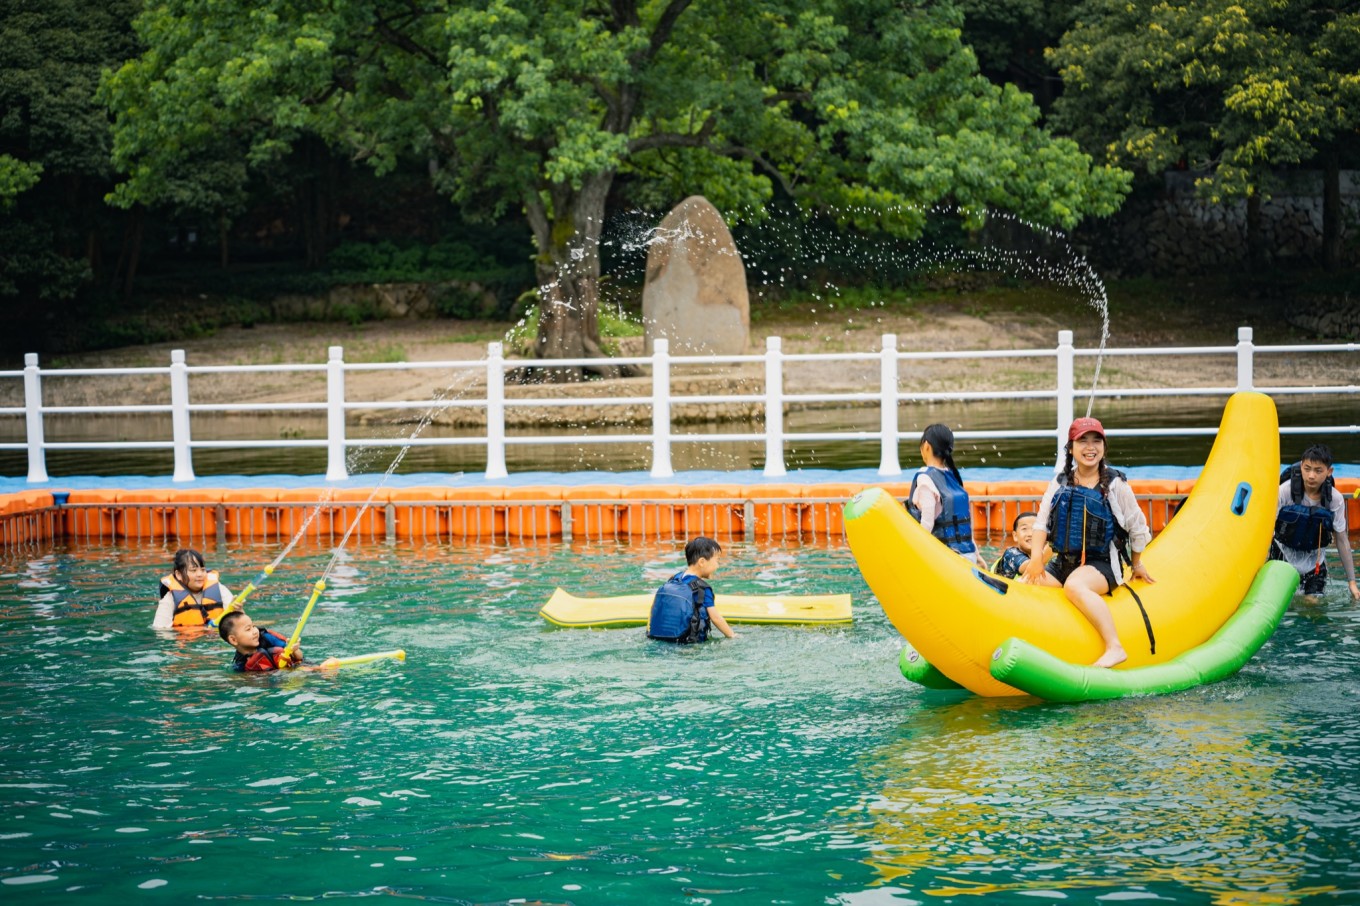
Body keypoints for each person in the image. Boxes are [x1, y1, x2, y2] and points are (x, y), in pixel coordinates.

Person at [1019, 417, 1155, 668]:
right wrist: (1036, 559)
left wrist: (1137, 564)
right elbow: (1041, 523)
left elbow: (1138, 527)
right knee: (1025, 582)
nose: (1090, 447)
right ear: (1071, 448)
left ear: (1104, 447)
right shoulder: (1060, 481)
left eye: (1096, 441)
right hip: (1063, 562)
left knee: (1075, 585)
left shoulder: (1116, 485)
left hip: (1102, 564)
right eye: (1083, 441)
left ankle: (1115, 647)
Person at [1271, 443, 1359, 602]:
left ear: (1329, 472)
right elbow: (1266, 531)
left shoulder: (1335, 499)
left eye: (1318, 471)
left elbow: (1341, 540)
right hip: (1281, 556)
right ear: (1301, 466)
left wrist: (1352, 582)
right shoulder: (1284, 491)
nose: (1311, 475)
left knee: (1312, 605)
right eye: (1307, 468)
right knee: (1279, 601)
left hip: (1314, 563)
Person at [905, 423, 985, 568]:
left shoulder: (925, 477)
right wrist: (977, 557)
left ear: (927, 446)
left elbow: (927, 524)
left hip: (946, 561)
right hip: (969, 556)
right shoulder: (953, 476)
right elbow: (963, 525)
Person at [647, 536, 737, 643]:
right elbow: (716, 618)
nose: (718, 566)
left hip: (660, 637)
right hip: (688, 644)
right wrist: (732, 635)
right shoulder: (702, 589)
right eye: (717, 561)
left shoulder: (674, 579)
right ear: (702, 562)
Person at [152, 549, 236, 629]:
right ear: (178, 574)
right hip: (186, 641)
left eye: (203, 570)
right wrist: (202, 630)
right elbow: (160, 631)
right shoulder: (170, 599)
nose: (200, 574)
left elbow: (238, 621)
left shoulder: (219, 589)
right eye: (193, 570)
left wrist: (238, 609)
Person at [219, 610, 303, 671]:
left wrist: (295, 650)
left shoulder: (267, 638)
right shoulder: (240, 664)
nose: (255, 631)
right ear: (233, 640)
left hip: (296, 667)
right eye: (248, 629)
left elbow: (300, 658)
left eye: (254, 626)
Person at [992, 511, 1047, 579]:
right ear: (1015, 536)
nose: (1030, 534)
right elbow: (1032, 567)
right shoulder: (1011, 554)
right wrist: (1052, 546)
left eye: (1035, 529)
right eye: (1024, 529)